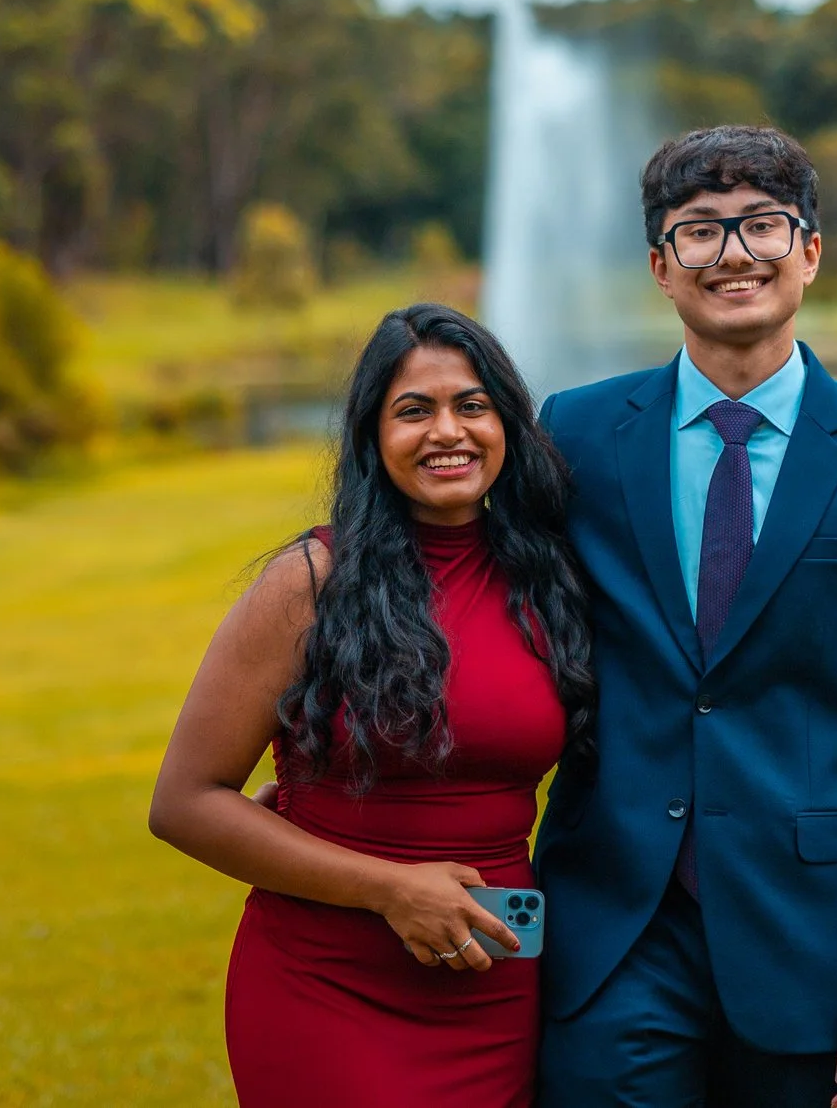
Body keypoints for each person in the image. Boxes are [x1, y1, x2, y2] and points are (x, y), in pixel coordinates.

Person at [535, 125, 837, 1108]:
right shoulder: (575, 434)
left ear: (810, 251)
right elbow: (486, 614)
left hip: (809, 932)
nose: (734, 253)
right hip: (612, 925)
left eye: (763, 225)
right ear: (660, 266)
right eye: (699, 231)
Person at [149, 303, 594, 1108]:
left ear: (507, 423)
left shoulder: (549, 580)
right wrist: (391, 888)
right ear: (371, 436)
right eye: (413, 410)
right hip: (327, 983)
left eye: (472, 405)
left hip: (494, 984)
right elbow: (184, 802)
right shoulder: (312, 582)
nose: (447, 431)